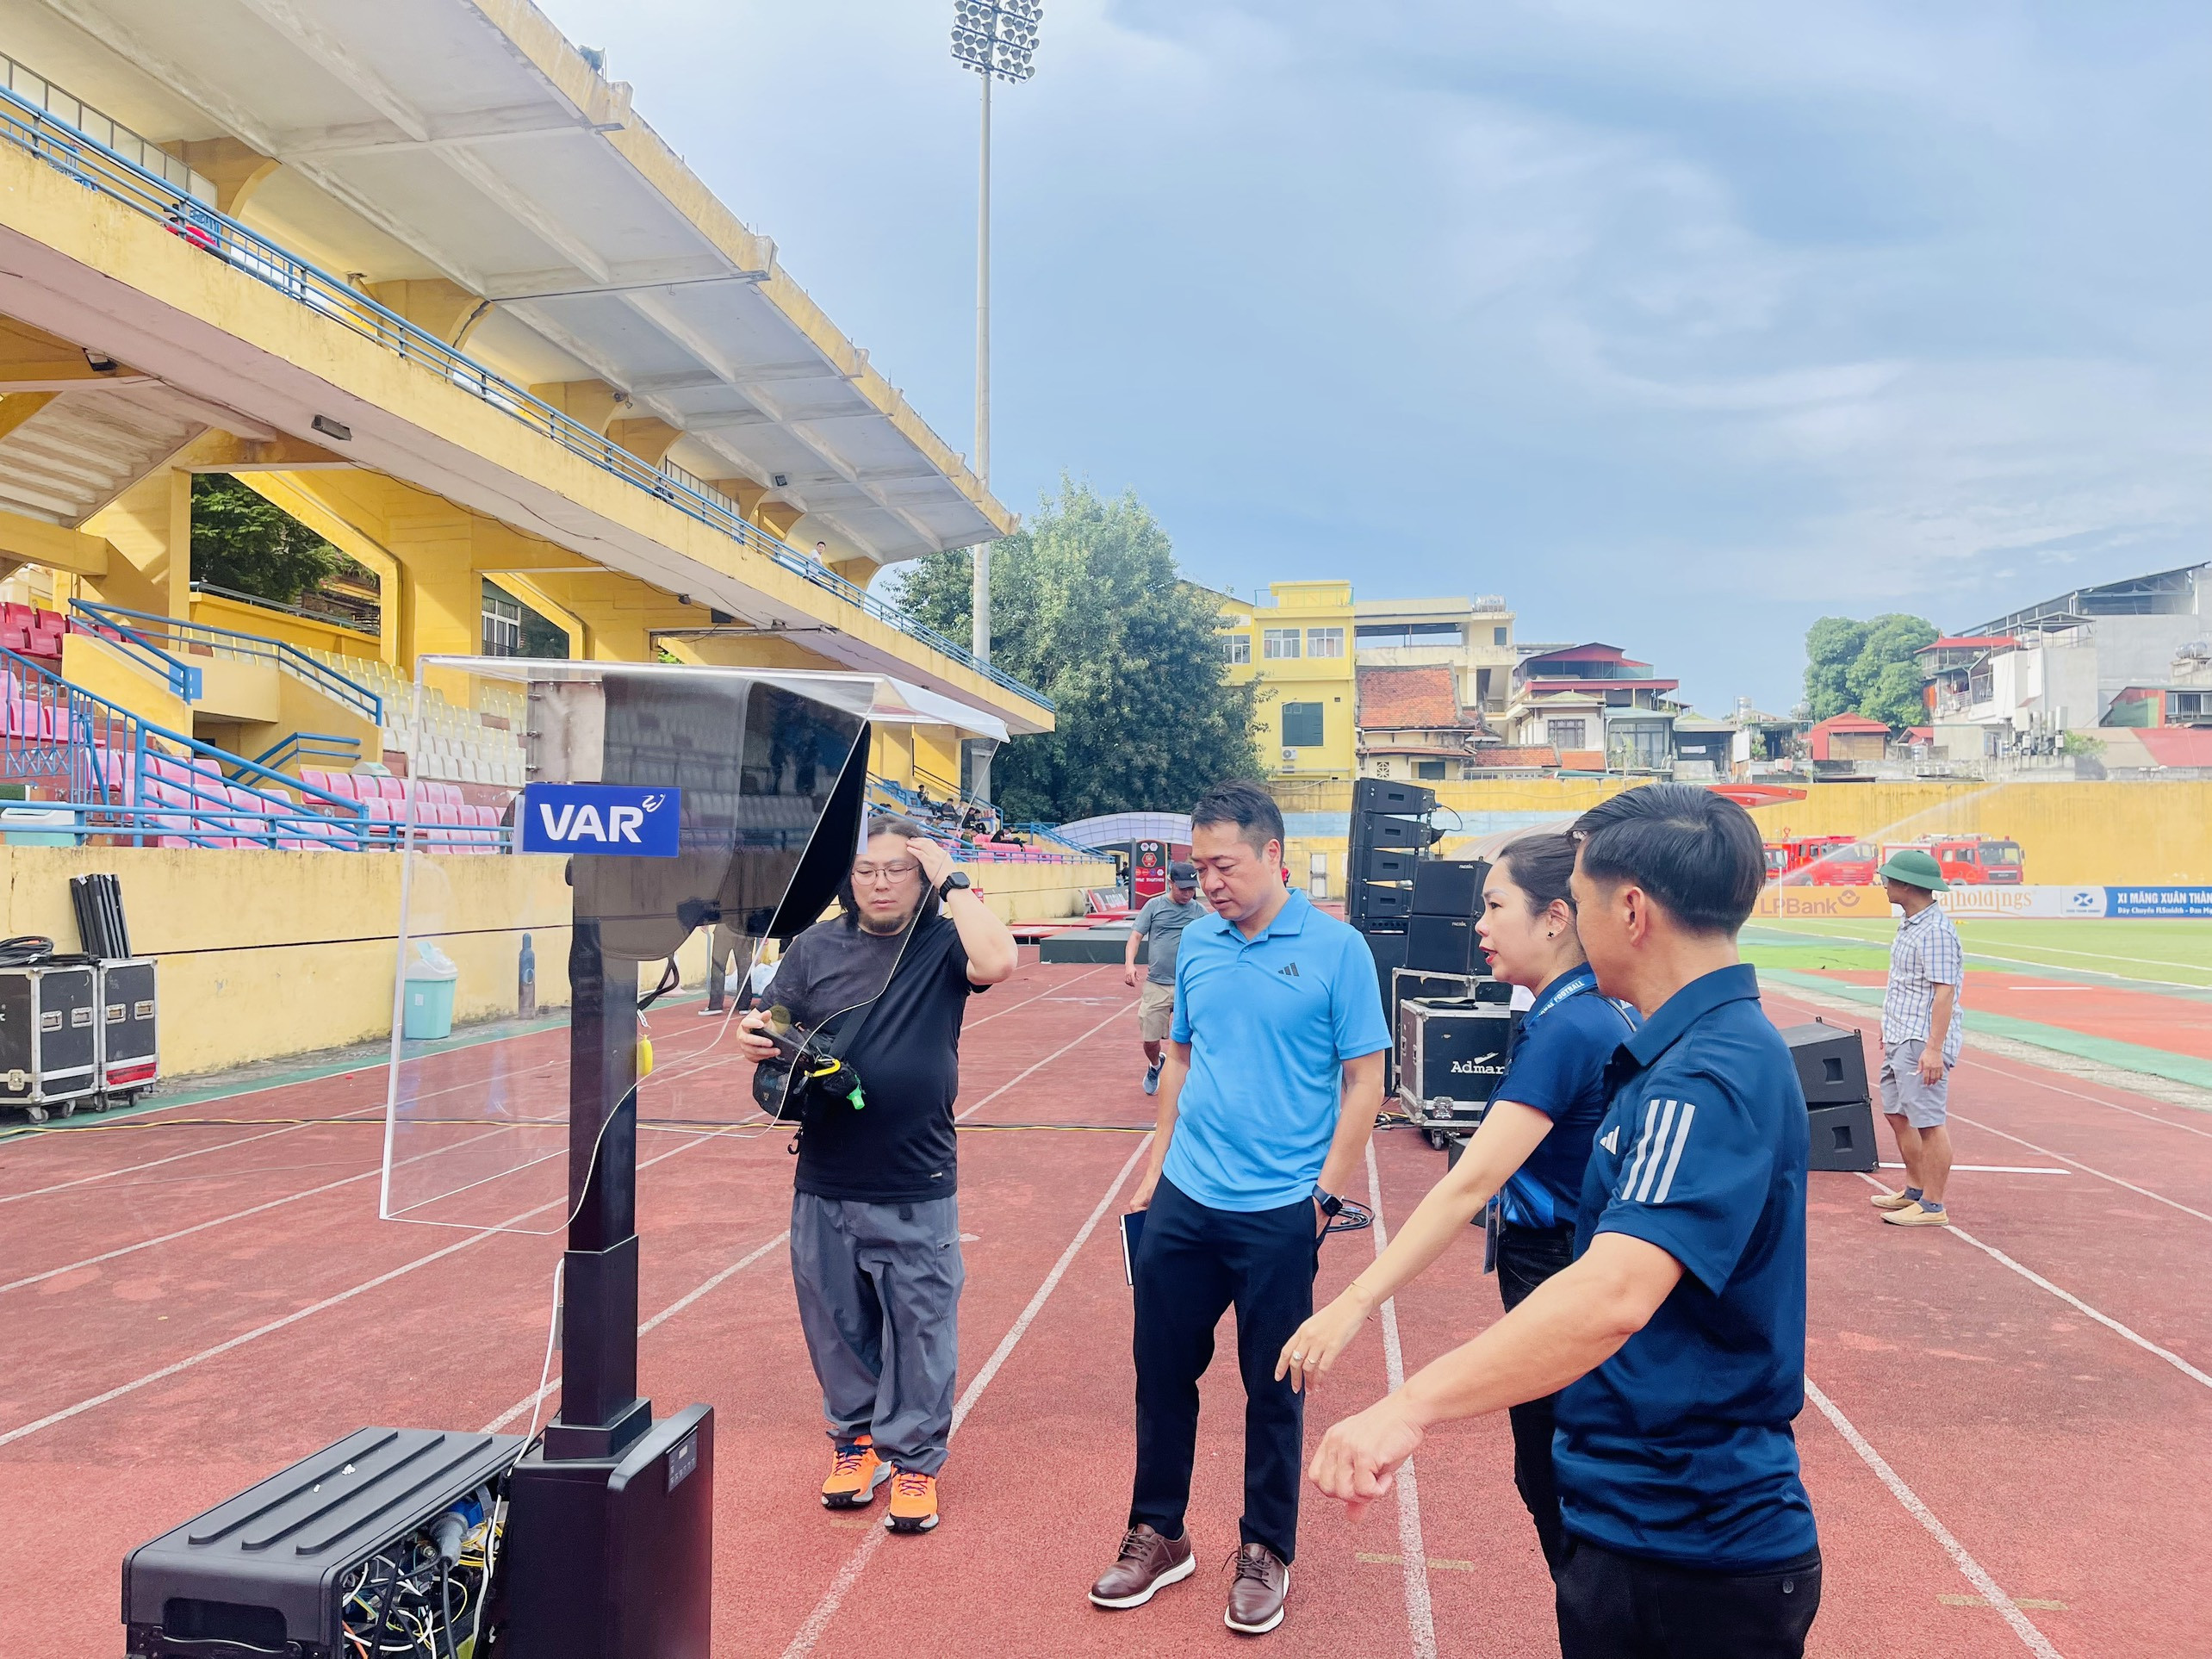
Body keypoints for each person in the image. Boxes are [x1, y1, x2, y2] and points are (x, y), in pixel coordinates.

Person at [1309, 784, 1821, 1659]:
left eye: (1577, 900)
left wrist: (1408, 1405)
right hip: (1650, 1524)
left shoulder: (1709, 1073)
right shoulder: (1682, 1050)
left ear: (1630, 909)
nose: (1572, 923)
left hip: (1687, 1545)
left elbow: (1616, 1291)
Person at [1274, 830, 1634, 1575]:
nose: (1479, 925)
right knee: (1563, 1492)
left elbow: (1468, 1183)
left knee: (1565, 1498)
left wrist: (1353, 1301)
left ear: (1556, 918)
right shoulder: (1583, 1011)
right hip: (1565, 1264)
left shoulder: (1570, 1026)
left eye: (1495, 905)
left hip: (1561, 1272)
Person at [1089, 781, 1389, 1637]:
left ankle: (1266, 1550)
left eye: (1224, 865)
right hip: (1185, 1199)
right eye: (1199, 866)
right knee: (1162, 1374)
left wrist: (1325, 1194)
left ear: (1272, 855)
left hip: (1279, 1212)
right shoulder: (1197, 945)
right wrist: (1154, 1171)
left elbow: (1366, 1080)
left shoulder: (1338, 950)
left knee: (1273, 1390)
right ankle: (1159, 1531)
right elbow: (1179, 1061)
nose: (1209, 882)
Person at [735, 815, 1019, 1535]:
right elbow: (774, 1017)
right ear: (848, 880)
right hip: (825, 1174)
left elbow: (1000, 963)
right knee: (836, 1325)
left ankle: (916, 1462)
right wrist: (755, 1036)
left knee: (922, 1328)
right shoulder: (815, 947)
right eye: (866, 869)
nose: (880, 881)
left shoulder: (942, 943)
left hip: (916, 1175)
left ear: (921, 878)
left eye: (897, 869)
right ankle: (855, 1443)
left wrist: (951, 874)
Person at [1868, 848, 1963, 1228]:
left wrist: (1934, 1049)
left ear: (1908, 885)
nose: (1884, 885)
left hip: (1920, 1040)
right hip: (1901, 1035)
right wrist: (1889, 1028)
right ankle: (1914, 1189)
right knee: (1896, 1112)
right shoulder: (1911, 925)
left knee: (1927, 1120)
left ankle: (1933, 1206)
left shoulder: (1936, 932)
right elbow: (1907, 986)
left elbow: (1944, 992)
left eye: (1889, 879)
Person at [1123, 861, 1207, 1095]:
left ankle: (1190, 1080)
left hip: (1188, 985)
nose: (1188, 894)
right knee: (1149, 1039)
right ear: (1170, 883)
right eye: (1183, 889)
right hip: (1158, 983)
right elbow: (1135, 937)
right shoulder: (1154, 906)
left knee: (1193, 1038)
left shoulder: (1199, 912)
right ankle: (1155, 1064)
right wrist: (1129, 964)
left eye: (1192, 889)